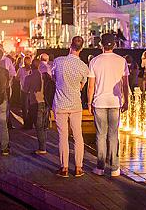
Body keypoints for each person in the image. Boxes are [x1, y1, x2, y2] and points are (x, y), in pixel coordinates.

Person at [88, 33, 129, 177]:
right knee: (113, 134)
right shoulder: (121, 61)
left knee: (100, 135)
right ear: (115, 44)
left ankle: (100, 167)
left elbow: (91, 86)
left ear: (101, 45)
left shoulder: (94, 61)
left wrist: (89, 102)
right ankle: (115, 168)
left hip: (99, 101)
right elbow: (125, 84)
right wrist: (127, 101)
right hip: (115, 102)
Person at [52, 36, 89, 178]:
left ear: (70, 46)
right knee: (78, 136)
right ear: (82, 48)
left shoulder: (58, 61)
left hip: (60, 104)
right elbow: (81, 86)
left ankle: (64, 168)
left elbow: (53, 78)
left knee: (63, 136)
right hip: (75, 104)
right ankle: (79, 167)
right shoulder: (83, 67)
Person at [24, 59, 48, 154]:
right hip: (44, 102)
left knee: (38, 127)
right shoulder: (44, 77)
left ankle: (42, 148)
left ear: (31, 66)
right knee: (43, 126)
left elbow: (25, 90)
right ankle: (44, 145)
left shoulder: (28, 78)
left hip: (35, 103)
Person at [0, 43, 16, 128]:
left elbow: (12, 72)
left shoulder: (7, 60)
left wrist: (9, 80)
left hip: (5, 86)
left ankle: (6, 122)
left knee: (6, 105)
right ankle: (0, 123)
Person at [16, 56, 32, 128]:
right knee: (31, 107)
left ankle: (26, 123)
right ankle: (31, 123)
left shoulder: (21, 69)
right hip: (31, 90)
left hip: (23, 90)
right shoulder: (32, 70)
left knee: (24, 107)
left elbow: (16, 78)